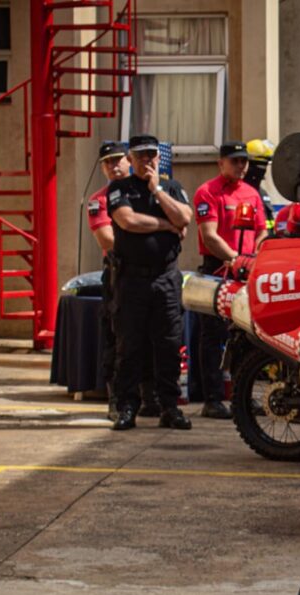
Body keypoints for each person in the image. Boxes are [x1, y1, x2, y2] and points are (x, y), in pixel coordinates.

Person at [106, 134, 193, 431]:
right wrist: (167, 225)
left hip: (165, 277)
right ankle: (128, 407)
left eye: (151, 155)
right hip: (132, 279)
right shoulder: (120, 188)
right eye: (140, 156)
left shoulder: (171, 188)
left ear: (159, 157)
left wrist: (157, 191)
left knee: (169, 344)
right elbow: (128, 221)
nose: (147, 160)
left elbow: (185, 217)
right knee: (129, 345)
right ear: (129, 160)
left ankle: (170, 407)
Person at [193, 140, 267, 418]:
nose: (240, 166)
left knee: (248, 337)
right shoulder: (208, 192)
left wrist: (253, 256)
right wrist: (234, 258)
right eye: (234, 161)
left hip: (247, 271)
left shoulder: (252, 193)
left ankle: (243, 397)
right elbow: (209, 235)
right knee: (213, 337)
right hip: (218, 269)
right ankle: (212, 399)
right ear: (220, 163)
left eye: (244, 161)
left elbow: (262, 230)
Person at [86, 140, 158, 419]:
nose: (114, 166)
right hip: (121, 272)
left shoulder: (149, 191)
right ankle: (118, 400)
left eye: (118, 160)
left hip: (153, 272)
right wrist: (147, 239)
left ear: (129, 160)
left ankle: (151, 397)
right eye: (108, 162)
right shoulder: (100, 199)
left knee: (154, 336)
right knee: (119, 338)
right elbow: (107, 238)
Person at [243, 138, 277, 233]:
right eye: (259, 166)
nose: (262, 171)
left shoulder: (263, 193)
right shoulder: (240, 194)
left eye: (265, 166)